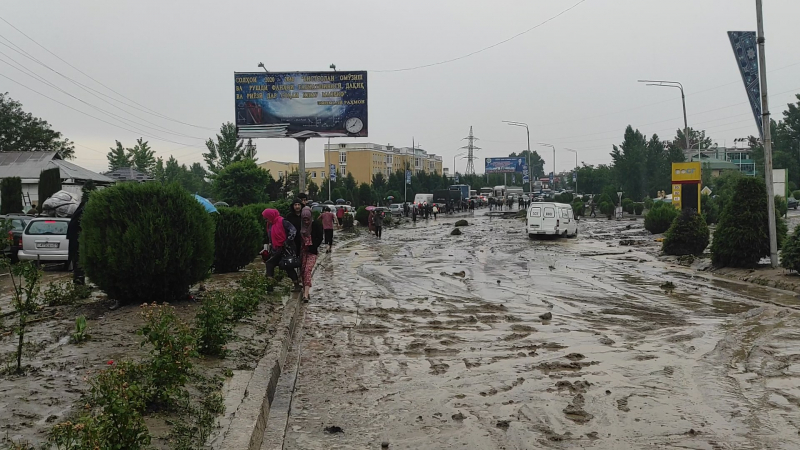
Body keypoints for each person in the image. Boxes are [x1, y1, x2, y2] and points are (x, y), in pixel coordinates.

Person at [262, 209, 301, 291]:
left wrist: (287, 241)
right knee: (271, 264)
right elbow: (270, 236)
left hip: (285, 248)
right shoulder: (270, 224)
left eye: (267, 218)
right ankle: (270, 286)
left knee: (287, 266)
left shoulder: (283, 221)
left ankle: (296, 285)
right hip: (276, 249)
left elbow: (293, 230)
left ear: (271, 216)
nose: (266, 220)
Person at [300, 207, 323, 302]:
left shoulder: (316, 225)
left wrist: (312, 246)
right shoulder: (300, 226)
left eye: (307, 219)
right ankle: (306, 291)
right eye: (304, 219)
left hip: (312, 252)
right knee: (302, 271)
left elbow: (320, 238)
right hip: (302, 253)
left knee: (307, 270)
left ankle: (305, 295)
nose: (306, 222)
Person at [66, 197, 87, 285]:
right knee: (78, 263)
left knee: (77, 263)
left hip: (75, 242)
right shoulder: (81, 213)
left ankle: (79, 282)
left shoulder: (77, 213)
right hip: (77, 243)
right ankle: (79, 283)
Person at [285, 199, 304, 278]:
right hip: (292, 241)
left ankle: (302, 276)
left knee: (302, 259)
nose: (297, 207)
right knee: (293, 259)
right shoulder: (289, 216)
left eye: (298, 205)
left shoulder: (304, 215)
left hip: (303, 240)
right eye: (295, 205)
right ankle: (295, 278)